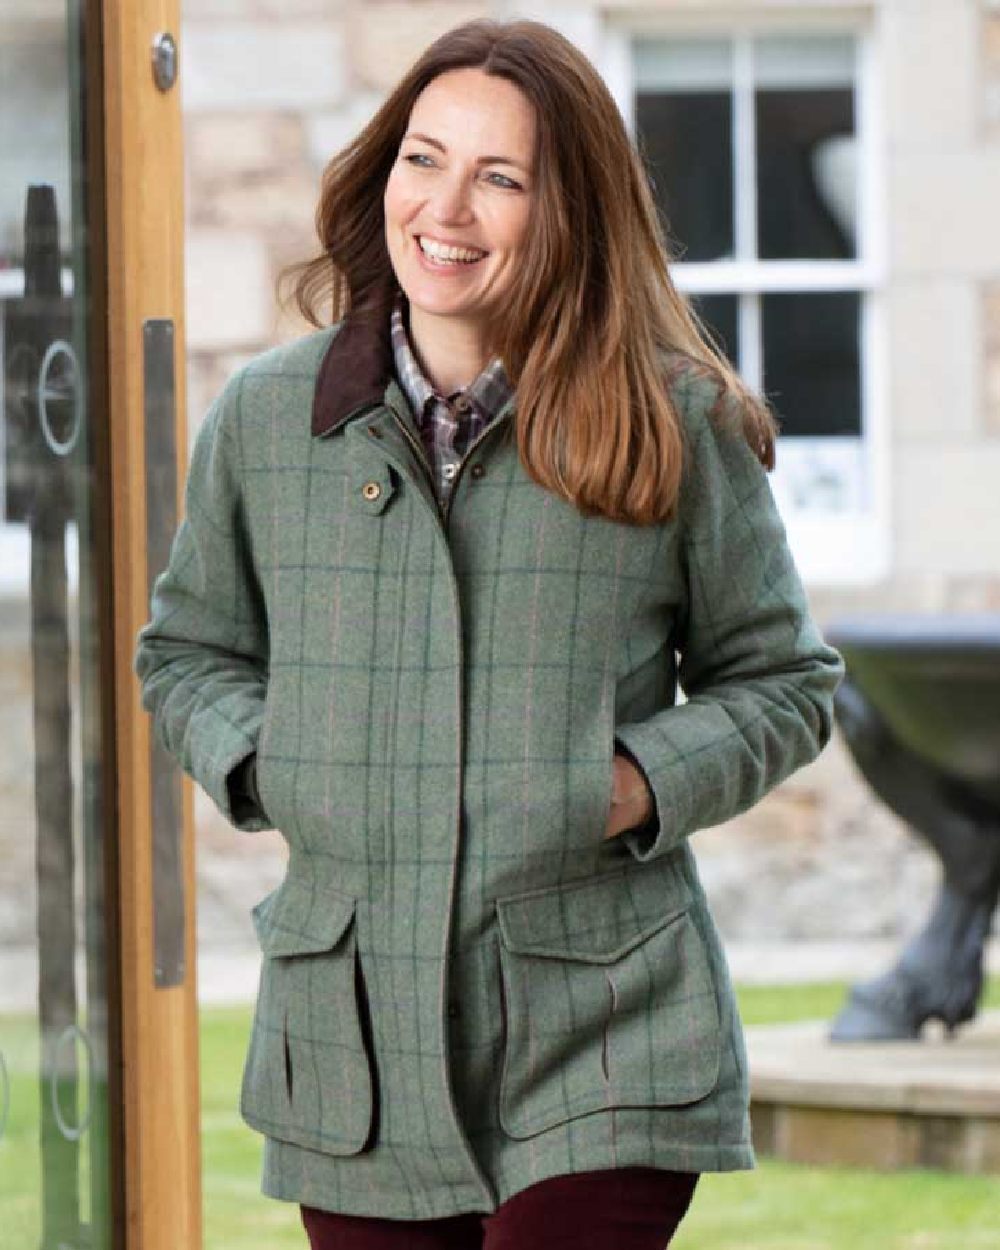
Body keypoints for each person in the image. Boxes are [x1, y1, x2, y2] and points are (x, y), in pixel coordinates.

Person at [133, 17, 845, 1250]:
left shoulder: (671, 422)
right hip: (351, 1040)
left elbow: (784, 682)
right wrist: (273, 760)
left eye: (499, 176)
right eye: (424, 157)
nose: (445, 206)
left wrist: (622, 784)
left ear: (567, 209)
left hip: (601, 1024)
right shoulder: (268, 418)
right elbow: (185, 652)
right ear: (383, 173)